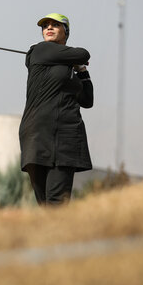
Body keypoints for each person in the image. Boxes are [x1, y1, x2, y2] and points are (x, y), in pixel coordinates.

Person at [19, 13, 94, 206]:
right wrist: (77, 62)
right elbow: (84, 54)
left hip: (65, 137)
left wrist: (83, 73)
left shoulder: (68, 72)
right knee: (46, 203)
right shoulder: (41, 50)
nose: (49, 28)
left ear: (65, 32)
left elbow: (87, 100)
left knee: (55, 203)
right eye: (45, 26)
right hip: (37, 136)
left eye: (55, 25)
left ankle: (55, 236)